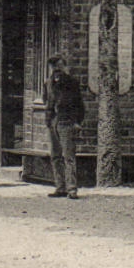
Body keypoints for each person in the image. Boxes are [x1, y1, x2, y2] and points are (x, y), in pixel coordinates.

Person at [43, 55, 84, 199]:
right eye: (54, 68)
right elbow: (46, 100)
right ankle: (60, 187)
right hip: (53, 121)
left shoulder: (71, 83)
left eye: (59, 67)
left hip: (67, 121)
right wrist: (48, 119)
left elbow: (79, 104)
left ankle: (71, 188)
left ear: (64, 68)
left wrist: (77, 121)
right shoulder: (48, 83)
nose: (56, 71)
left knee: (68, 156)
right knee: (55, 156)